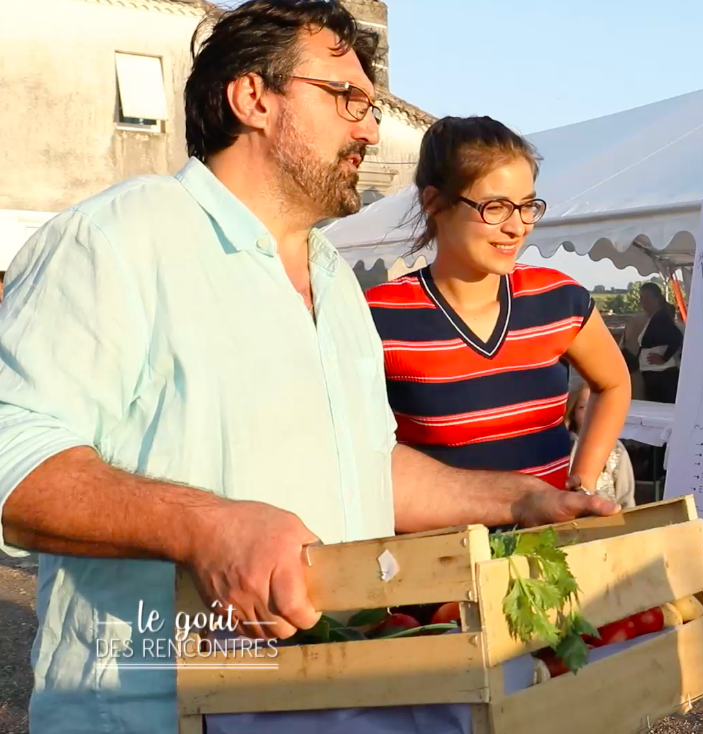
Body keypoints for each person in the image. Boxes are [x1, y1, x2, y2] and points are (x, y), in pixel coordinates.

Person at [0, 5, 617, 731]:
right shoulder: (115, 240)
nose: (369, 127)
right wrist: (207, 529)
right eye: (346, 99)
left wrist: (514, 501)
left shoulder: (332, 277)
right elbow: (16, 455)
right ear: (252, 98)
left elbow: (365, 465)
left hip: (324, 701)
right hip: (149, 707)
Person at [367, 117, 631, 495]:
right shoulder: (378, 316)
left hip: (548, 545)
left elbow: (614, 383)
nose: (518, 226)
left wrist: (582, 481)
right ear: (435, 203)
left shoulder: (558, 299)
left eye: (527, 206)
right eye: (496, 208)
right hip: (440, 549)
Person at [566, 373, 636, 508]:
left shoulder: (616, 449)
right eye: (583, 407)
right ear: (573, 412)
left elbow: (626, 496)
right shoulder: (563, 447)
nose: (590, 412)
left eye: (595, 405)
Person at [636, 281, 684, 403]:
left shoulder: (661, 317)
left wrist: (664, 358)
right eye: (641, 297)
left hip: (662, 375)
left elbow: (677, 337)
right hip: (655, 374)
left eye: (647, 297)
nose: (643, 301)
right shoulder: (655, 316)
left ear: (657, 299)